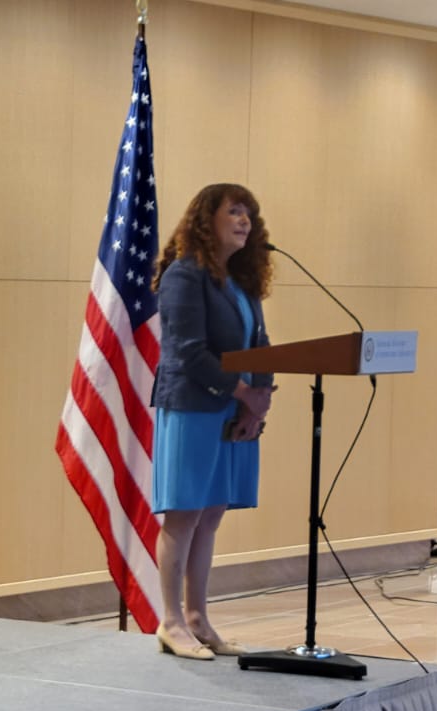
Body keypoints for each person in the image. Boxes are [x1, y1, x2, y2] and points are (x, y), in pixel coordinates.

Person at [150, 183, 275, 660]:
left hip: (233, 409)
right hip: (192, 406)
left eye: (249, 213)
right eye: (235, 211)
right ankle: (171, 621)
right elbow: (187, 351)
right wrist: (243, 392)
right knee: (184, 513)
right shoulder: (185, 275)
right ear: (208, 220)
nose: (245, 221)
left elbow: (261, 346)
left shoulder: (240, 282)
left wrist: (256, 404)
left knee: (211, 514)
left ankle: (199, 618)